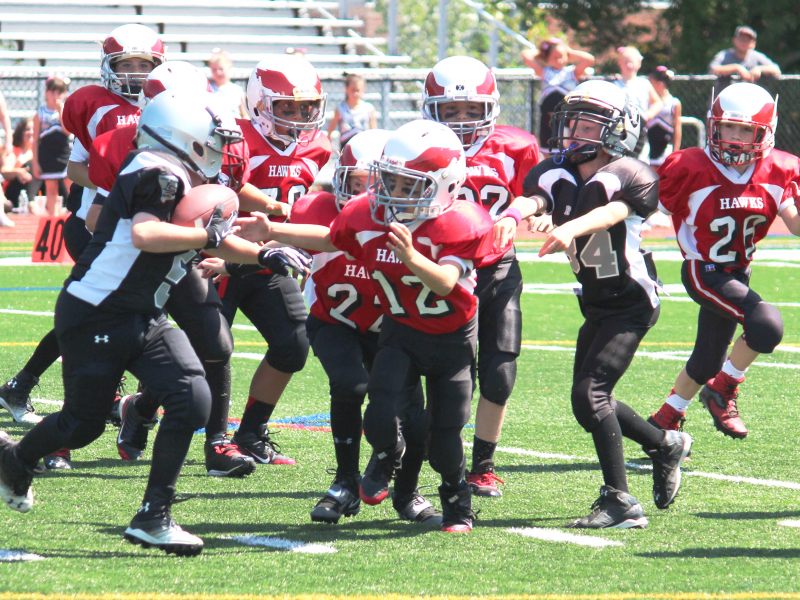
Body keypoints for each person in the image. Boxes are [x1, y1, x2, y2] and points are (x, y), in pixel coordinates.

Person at [0, 90, 274, 556]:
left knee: (193, 396)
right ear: (182, 135)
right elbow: (147, 234)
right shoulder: (157, 171)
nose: (220, 150)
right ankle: (14, 459)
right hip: (97, 311)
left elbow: (208, 241)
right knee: (81, 425)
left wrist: (267, 254)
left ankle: (153, 516)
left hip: (143, 311)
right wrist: (211, 235)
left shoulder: (173, 171)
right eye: (213, 139)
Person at [239, 120, 506, 533]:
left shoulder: (461, 223)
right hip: (400, 330)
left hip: (451, 340)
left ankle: (456, 501)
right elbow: (331, 238)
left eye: (407, 186)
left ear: (445, 186)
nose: (392, 194)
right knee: (380, 412)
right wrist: (272, 230)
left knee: (442, 439)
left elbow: (446, 282)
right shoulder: (370, 213)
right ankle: (384, 458)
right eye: (391, 181)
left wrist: (412, 258)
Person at [524, 80, 692, 528]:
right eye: (572, 120)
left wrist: (570, 227)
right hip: (597, 303)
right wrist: (521, 212)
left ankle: (621, 501)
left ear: (619, 129)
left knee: (590, 394)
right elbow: (540, 195)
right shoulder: (557, 171)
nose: (574, 129)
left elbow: (613, 212)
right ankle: (664, 444)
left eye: (588, 121)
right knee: (588, 403)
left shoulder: (632, 173)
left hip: (632, 302)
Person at [85, 62, 261, 479]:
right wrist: (182, 230)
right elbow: (97, 218)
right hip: (131, 271)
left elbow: (222, 213)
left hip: (187, 259)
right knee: (96, 367)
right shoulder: (127, 149)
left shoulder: (218, 140)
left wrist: (259, 247)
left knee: (216, 344)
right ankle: (57, 435)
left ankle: (216, 441)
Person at [0, 23, 164, 469]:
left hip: (135, 223)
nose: (133, 73)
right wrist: (127, 186)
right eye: (125, 64)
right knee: (100, 313)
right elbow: (76, 170)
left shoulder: (166, 102)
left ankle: (25, 384)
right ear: (108, 68)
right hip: (97, 221)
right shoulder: (92, 104)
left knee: (105, 313)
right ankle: (81, 408)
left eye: (143, 65)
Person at [648, 83, 800, 439]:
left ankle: (663, 422)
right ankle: (724, 389)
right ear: (714, 124)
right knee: (766, 324)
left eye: (745, 129)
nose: (734, 137)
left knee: (705, 361)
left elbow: (794, 222)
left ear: (765, 132)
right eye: (728, 126)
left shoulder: (780, 169)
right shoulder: (690, 165)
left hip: (737, 272)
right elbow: (649, 213)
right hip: (703, 270)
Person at [421, 55, 540, 498]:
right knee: (448, 373)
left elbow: (538, 193)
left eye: (472, 109)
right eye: (451, 111)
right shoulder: (421, 145)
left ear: (490, 106)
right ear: (432, 109)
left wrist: (532, 213)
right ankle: (424, 452)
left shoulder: (515, 146)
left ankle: (483, 465)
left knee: (499, 372)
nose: (463, 119)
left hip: (498, 267)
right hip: (442, 273)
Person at [221, 55, 331, 467]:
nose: (299, 116)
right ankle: (141, 412)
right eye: (286, 106)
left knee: (292, 346)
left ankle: (250, 433)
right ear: (260, 103)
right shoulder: (236, 136)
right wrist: (276, 207)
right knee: (208, 350)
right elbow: (226, 187)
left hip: (273, 261)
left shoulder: (317, 146)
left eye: (306, 107)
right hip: (223, 256)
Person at [521, 38, 594, 152]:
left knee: (567, 151)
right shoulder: (545, 72)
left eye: (562, 56)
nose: (559, 60)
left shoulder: (572, 73)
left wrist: (569, 51)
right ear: (548, 57)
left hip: (567, 121)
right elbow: (526, 55)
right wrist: (545, 50)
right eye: (555, 57)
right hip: (548, 121)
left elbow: (589, 59)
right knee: (548, 152)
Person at [613, 47, 662, 161]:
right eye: (626, 62)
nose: (629, 66)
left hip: (640, 132)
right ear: (619, 63)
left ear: (639, 63)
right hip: (621, 132)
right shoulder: (615, 85)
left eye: (632, 62)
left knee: (641, 162)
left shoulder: (644, 84)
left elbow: (657, 102)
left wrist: (648, 116)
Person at [32, 76, 72, 215]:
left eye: (59, 92)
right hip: (47, 155)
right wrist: (35, 163)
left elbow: (68, 132)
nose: (55, 96)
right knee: (51, 188)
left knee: (71, 186)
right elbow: (36, 140)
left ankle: (77, 215)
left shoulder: (65, 111)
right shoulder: (40, 113)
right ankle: (53, 218)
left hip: (64, 153)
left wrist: (61, 112)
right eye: (52, 92)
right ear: (46, 92)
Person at [709, 26, 781, 93]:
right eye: (741, 39)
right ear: (734, 40)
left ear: (753, 43)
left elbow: (776, 70)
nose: (744, 42)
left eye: (747, 40)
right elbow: (712, 69)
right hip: (725, 101)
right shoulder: (724, 55)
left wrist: (759, 69)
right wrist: (736, 68)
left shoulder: (757, 56)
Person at [326, 73, 377, 147]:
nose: (355, 94)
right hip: (346, 146)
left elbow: (374, 131)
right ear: (346, 89)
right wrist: (328, 139)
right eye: (353, 90)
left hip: (364, 146)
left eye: (358, 90)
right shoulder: (341, 108)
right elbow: (331, 127)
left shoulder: (368, 108)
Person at [647, 67, 681, 167]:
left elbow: (677, 127)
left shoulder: (674, 103)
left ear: (660, 85)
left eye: (651, 84)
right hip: (649, 147)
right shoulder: (648, 102)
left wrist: (676, 151)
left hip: (664, 148)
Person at [3, 118, 38, 213]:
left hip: (36, 191)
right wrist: (18, 171)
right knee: (31, 164)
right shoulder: (14, 151)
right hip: (16, 191)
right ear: (21, 132)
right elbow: (4, 172)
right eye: (27, 129)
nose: (31, 132)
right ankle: (31, 202)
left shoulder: (39, 152)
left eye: (34, 130)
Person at [208, 49, 247, 120]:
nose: (218, 73)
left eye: (221, 69)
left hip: (234, 128)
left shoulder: (237, 90)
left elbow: (244, 115)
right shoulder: (208, 89)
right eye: (214, 70)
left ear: (229, 67)